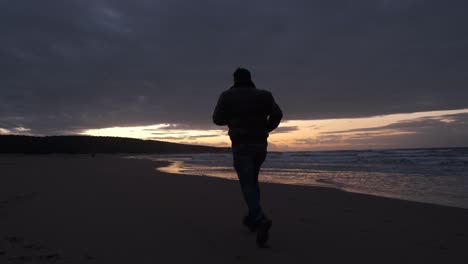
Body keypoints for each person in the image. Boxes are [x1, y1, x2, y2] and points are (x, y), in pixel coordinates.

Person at [212, 68, 283, 247]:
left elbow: (217, 119)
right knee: (253, 180)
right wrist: (267, 128)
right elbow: (278, 114)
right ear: (250, 79)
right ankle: (252, 218)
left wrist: (231, 119)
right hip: (260, 145)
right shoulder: (265, 95)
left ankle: (260, 219)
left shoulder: (226, 96)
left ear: (235, 80)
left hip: (241, 144)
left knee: (247, 183)